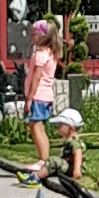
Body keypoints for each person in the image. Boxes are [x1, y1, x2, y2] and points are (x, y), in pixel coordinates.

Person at [21, 14, 64, 176]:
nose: (32, 37)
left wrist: (29, 99)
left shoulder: (40, 55)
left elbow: (36, 78)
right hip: (47, 96)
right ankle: (44, 159)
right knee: (39, 127)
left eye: (34, 34)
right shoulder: (50, 54)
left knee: (35, 126)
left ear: (43, 36)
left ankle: (42, 160)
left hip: (38, 96)